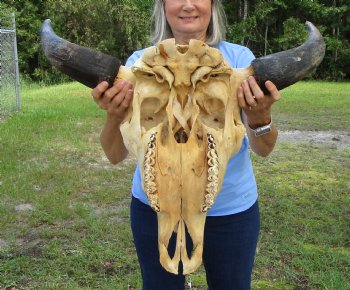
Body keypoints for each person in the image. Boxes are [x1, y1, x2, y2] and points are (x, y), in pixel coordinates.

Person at [91, 0, 281, 289]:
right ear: (163, 5)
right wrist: (115, 116)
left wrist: (260, 116)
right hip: (154, 209)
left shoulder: (240, 60)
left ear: (212, 5)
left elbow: (264, 148)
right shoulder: (137, 66)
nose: (188, 5)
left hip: (230, 211)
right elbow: (116, 154)